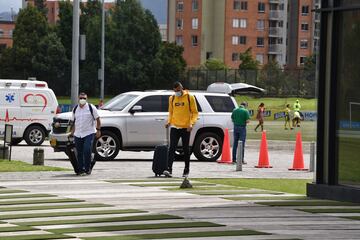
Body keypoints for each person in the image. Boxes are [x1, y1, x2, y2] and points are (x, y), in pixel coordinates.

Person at [164, 82, 198, 178]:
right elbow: (171, 112)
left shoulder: (189, 97)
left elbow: (195, 112)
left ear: (182, 88)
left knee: (185, 149)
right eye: (175, 91)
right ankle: (169, 169)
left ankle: (186, 169)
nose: (177, 92)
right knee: (172, 148)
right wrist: (169, 121)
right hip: (175, 126)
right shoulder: (172, 98)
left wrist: (191, 123)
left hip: (185, 127)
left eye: (178, 90)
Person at [70, 93, 101, 176]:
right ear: (78, 98)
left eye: (84, 98)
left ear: (86, 99)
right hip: (78, 134)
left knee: (87, 150)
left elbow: (98, 119)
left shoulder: (91, 108)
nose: (82, 99)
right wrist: (72, 133)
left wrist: (98, 130)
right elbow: (74, 122)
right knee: (79, 152)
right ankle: (81, 169)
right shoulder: (75, 108)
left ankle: (87, 168)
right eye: (81, 98)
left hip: (89, 133)